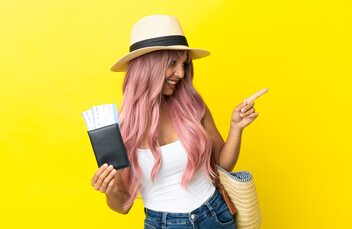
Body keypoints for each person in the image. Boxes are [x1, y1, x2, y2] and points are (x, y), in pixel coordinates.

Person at [90, 15, 260, 229]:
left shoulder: (192, 106)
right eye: (172, 63)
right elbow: (123, 207)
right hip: (163, 224)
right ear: (148, 65)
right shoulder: (122, 130)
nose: (180, 73)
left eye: (183, 64)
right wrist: (111, 190)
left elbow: (222, 166)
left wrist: (236, 127)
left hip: (215, 216)